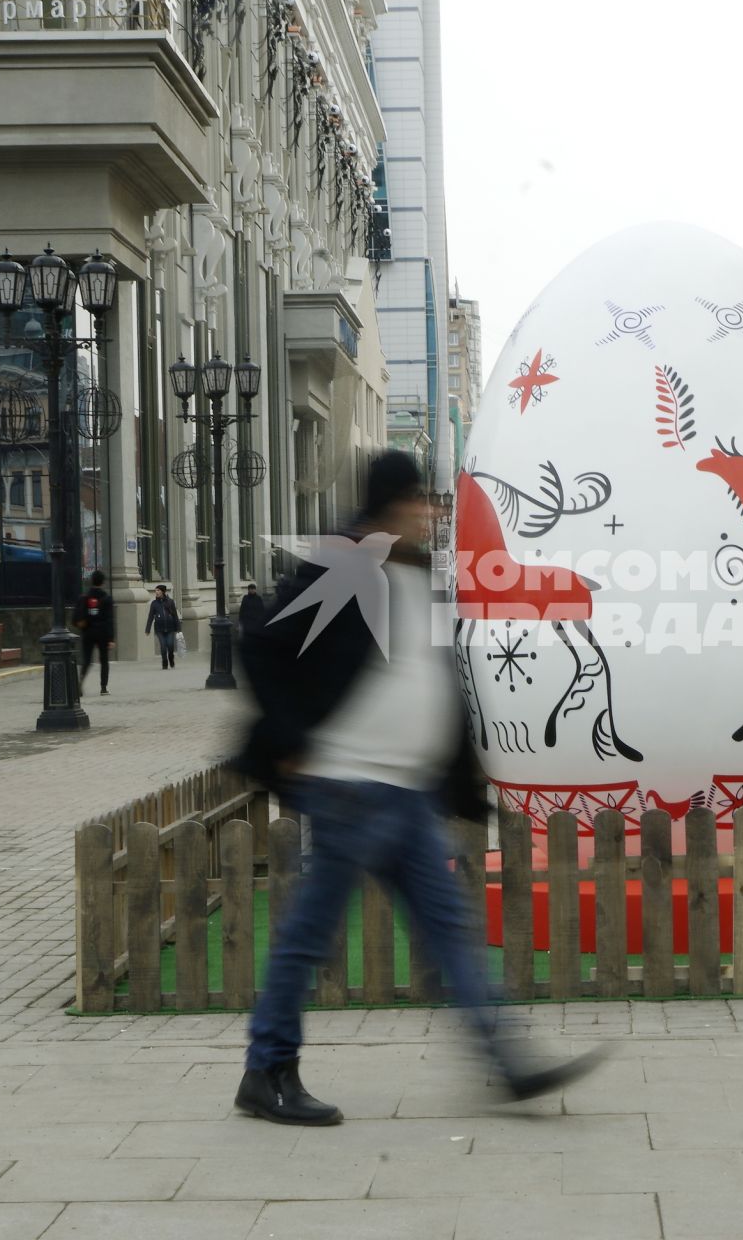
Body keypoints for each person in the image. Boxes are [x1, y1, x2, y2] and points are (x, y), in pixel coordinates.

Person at [231, 451, 604, 1126]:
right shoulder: (344, 564)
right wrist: (291, 743)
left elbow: (437, 677)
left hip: (404, 792)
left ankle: (507, 1064)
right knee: (310, 937)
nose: (430, 512)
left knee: (450, 932)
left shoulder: (419, 576)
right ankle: (267, 1072)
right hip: (347, 784)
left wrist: (458, 778)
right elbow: (261, 646)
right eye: (417, 500)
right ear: (386, 506)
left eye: (431, 501)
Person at [73, 570, 114, 695]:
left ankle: (80, 681)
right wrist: (111, 639)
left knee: (86, 659)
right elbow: (109, 620)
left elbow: (77, 616)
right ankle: (103, 687)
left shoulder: (84, 597)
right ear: (102, 582)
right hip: (102, 633)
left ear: (92, 581)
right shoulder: (106, 598)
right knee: (104, 660)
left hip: (88, 632)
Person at [145, 584, 181, 669]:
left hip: (170, 628)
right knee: (163, 646)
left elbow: (175, 616)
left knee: (170, 645)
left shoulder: (170, 602)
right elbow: (150, 617)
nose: (156, 592)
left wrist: (179, 628)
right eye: (155, 590)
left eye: (158, 590)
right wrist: (147, 629)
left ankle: (171, 659)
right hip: (159, 629)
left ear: (163, 591)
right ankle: (164, 662)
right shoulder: (154, 604)